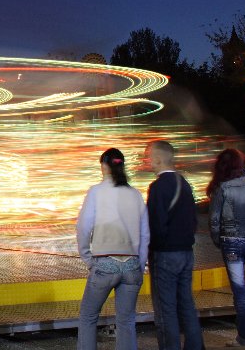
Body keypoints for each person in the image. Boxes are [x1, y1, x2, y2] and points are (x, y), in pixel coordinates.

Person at [76, 148, 149, 350]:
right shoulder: (135, 194)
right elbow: (145, 235)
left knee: (88, 316)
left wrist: (87, 257)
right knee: (126, 321)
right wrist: (140, 263)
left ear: (104, 166)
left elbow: (83, 227)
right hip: (132, 264)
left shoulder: (96, 192)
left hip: (104, 263)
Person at [146, 140, 205, 350]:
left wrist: (151, 251)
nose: (148, 161)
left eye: (149, 156)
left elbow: (156, 224)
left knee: (166, 309)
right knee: (187, 304)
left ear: (159, 159)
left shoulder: (158, 187)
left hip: (165, 254)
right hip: (186, 252)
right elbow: (193, 218)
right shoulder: (184, 183)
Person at [207, 148, 245, 347]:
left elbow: (214, 219)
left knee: (240, 292)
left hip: (232, 244)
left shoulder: (223, 187)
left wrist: (217, 240)